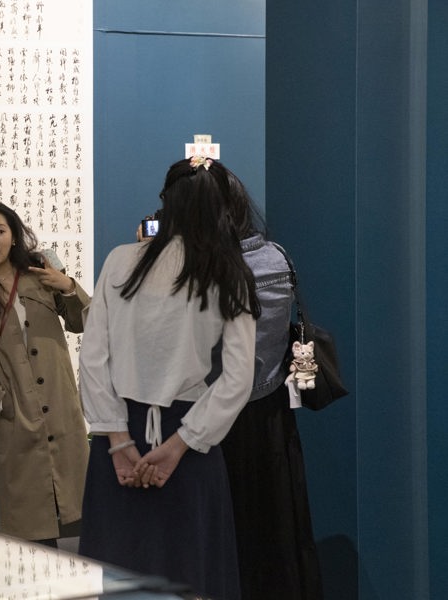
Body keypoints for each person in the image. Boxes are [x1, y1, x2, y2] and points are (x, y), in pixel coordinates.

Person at [77, 156, 260, 600]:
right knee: (191, 574)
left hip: (119, 439)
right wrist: (180, 445)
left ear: (166, 201)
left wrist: (119, 442)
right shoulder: (228, 272)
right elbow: (237, 379)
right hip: (189, 444)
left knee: (119, 572)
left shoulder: (120, 260)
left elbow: (93, 358)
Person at [0, 202, 90, 546]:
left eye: (0, 231)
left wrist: (67, 285)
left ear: (13, 237)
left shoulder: (40, 275)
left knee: (86, 518)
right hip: (16, 420)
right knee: (30, 529)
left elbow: (86, 321)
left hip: (61, 408)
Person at [215, 173, 323, 600]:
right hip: (273, 411)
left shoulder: (203, 270)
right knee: (277, 526)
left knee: (226, 530)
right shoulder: (277, 257)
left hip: (216, 418)